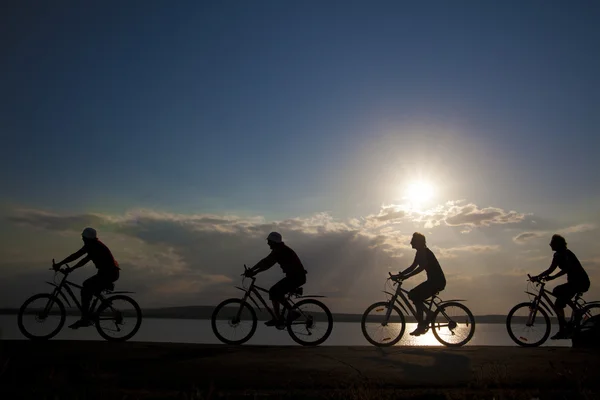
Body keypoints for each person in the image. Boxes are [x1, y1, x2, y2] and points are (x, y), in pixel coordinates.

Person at [53, 227, 120, 329]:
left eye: (83, 238)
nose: (82, 239)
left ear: (86, 238)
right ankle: (96, 310)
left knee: (86, 287)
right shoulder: (94, 246)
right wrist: (71, 268)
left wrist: (60, 264)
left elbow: (76, 256)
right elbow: (84, 259)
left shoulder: (93, 246)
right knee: (90, 288)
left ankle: (85, 318)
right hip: (107, 273)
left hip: (109, 274)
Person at [531, 234, 590, 340]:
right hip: (573, 283)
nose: (550, 244)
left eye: (552, 243)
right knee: (558, 304)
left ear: (557, 244)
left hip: (581, 282)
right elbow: (550, 269)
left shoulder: (567, 254)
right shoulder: (557, 255)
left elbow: (567, 269)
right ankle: (562, 330)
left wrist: (553, 278)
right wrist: (537, 277)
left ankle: (576, 311)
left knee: (557, 290)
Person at [245, 232, 307, 328]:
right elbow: (265, 262)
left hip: (296, 277)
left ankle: (289, 313)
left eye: (269, 241)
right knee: (275, 292)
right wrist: (253, 270)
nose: (268, 243)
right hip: (296, 277)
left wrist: (253, 271)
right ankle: (279, 318)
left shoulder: (280, 251)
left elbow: (266, 263)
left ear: (274, 242)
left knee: (274, 291)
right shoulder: (279, 249)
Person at [393, 232, 446, 336]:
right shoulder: (419, 252)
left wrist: (406, 276)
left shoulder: (425, 252)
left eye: (412, 240)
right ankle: (428, 315)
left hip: (436, 282)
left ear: (418, 242)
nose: (410, 242)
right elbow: (413, 267)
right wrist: (400, 275)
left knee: (414, 295)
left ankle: (421, 325)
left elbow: (421, 267)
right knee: (413, 295)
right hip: (433, 281)